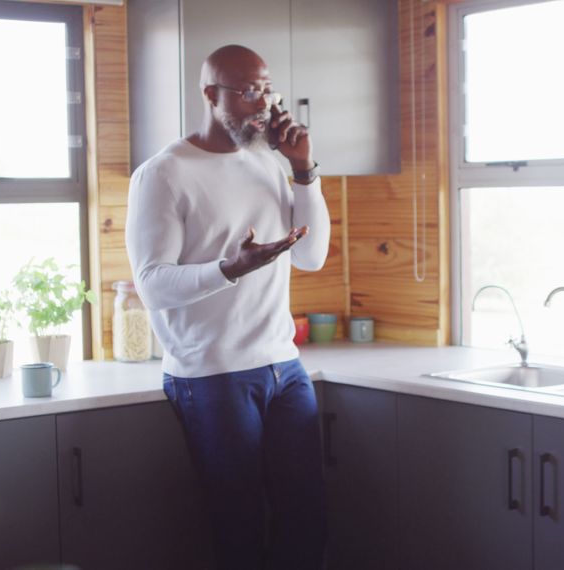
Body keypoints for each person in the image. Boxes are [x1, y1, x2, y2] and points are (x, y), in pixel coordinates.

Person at [125, 44, 331, 569]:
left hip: (283, 366)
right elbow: (152, 285)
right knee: (237, 524)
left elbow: (310, 255)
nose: (260, 104)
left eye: (265, 89)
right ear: (209, 94)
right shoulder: (163, 173)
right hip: (211, 374)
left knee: (306, 516)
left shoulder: (269, 162)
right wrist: (230, 268)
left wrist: (304, 168)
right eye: (245, 93)